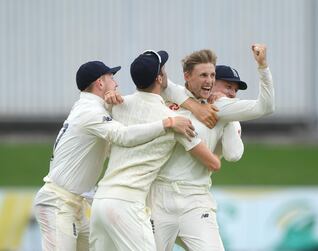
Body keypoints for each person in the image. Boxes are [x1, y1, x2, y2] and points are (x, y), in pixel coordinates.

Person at [33, 61, 197, 251]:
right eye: (111, 77)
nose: (116, 83)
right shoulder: (91, 112)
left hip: (75, 204)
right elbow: (123, 136)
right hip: (57, 203)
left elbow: (114, 145)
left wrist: (112, 106)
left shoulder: (90, 107)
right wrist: (167, 122)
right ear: (100, 83)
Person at [89, 50, 221, 251]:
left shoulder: (118, 105)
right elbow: (213, 163)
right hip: (128, 204)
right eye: (164, 70)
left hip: (100, 201)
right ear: (159, 78)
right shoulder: (175, 121)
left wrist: (109, 97)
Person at [149, 44, 274, 251]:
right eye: (204, 75)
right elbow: (158, 78)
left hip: (195, 199)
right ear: (187, 76)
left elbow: (266, 107)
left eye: (212, 75)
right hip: (158, 196)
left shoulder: (222, 108)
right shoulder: (171, 95)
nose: (209, 81)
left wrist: (262, 66)